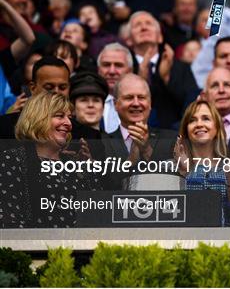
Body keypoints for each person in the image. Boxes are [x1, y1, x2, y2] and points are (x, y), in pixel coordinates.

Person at [0, 92, 101, 228]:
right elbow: (9, 218)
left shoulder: (77, 164)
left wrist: (91, 170)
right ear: (37, 118)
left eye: (69, 117)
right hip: (31, 247)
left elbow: (99, 214)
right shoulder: (11, 160)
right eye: (60, 116)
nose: (68, 123)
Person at [174, 100, 230, 226]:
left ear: (217, 127)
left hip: (225, 244)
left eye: (206, 119)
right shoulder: (170, 167)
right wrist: (182, 173)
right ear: (186, 130)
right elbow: (168, 215)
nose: (199, 124)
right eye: (192, 120)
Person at [101, 73, 177, 190]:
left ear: (150, 103)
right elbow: (103, 188)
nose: (136, 103)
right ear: (115, 104)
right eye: (129, 98)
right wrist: (130, 162)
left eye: (141, 97)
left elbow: (174, 183)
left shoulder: (171, 139)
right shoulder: (101, 143)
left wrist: (147, 151)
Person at [126, 11, 197, 129]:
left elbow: (191, 105)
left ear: (160, 37)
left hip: (172, 136)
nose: (143, 27)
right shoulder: (123, 68)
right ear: (128, 39)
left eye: (148, 23)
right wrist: (141, 81)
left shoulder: (180, 67)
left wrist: (166, 78)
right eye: (137, 25)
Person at [96, 42, 133, 133]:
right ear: (98, 70)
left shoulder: (141, 105)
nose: (112, 71)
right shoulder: (87, 104)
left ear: (130, 71)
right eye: (106, 65)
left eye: (118, 65)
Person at [202, 67, 230, 154]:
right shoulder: (190, 128)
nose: (221, 90)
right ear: (204, 96)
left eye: (227, 85)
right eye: (214, 86)